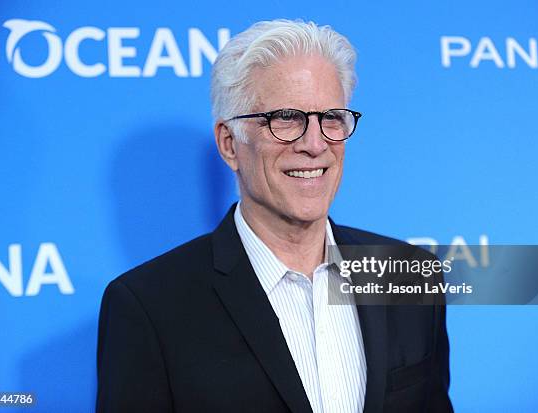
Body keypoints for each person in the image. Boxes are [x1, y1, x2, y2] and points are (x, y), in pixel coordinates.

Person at [96, 19, 453, 413]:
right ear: (230, 144)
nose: (315, 145)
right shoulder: (149, 307)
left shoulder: (406, 273)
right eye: (286, 118)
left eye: (331, 117)